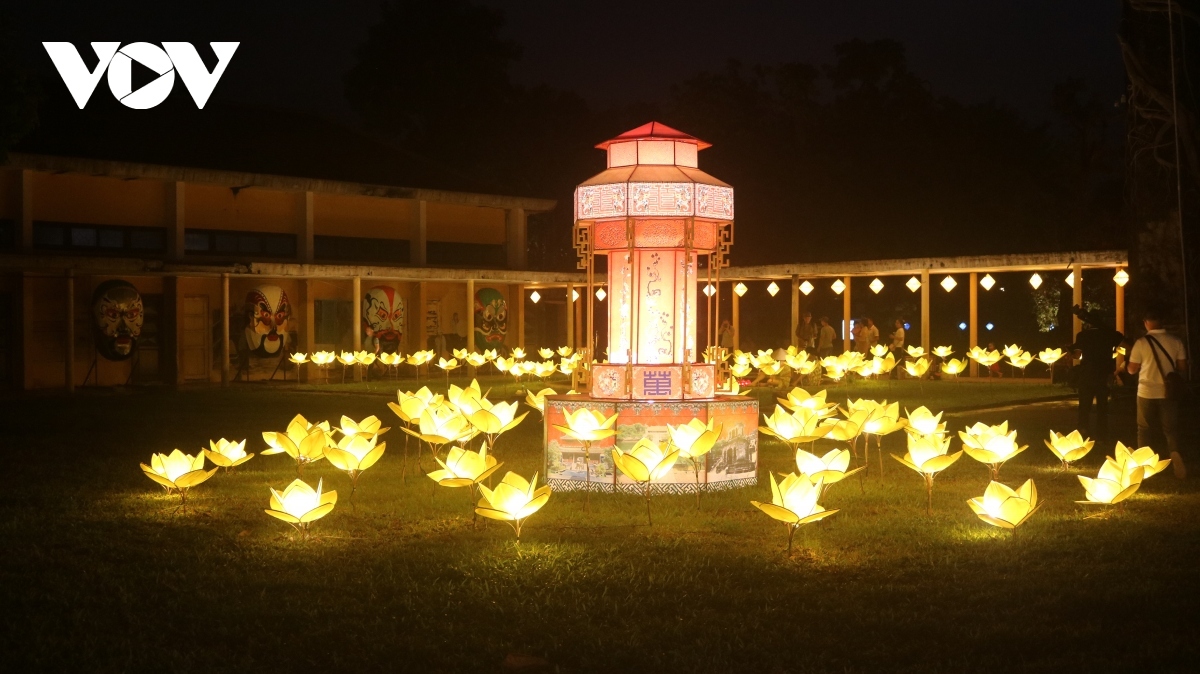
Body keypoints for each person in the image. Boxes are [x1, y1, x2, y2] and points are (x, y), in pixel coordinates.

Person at [1126, 309, 1188, 478]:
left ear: (1146, 322)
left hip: (1146, 391)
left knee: (1144, 428)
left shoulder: (1141, 342)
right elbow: (1182, 367)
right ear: (1162, 322)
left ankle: (1143, 465)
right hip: (1168, 392)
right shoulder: (1175, 341)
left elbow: (1131, 370)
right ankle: (1175, 454)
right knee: (1170, 429)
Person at [1069, 306, 1124, 438]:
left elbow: (1076, 355)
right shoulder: (1109, 334)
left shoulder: (1082, 335)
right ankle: (1102, 434)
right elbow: (1119, 336)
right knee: (1102, 406)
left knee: (1084, 406)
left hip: (1087, 373)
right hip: (1103, 373)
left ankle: (1082, 431)